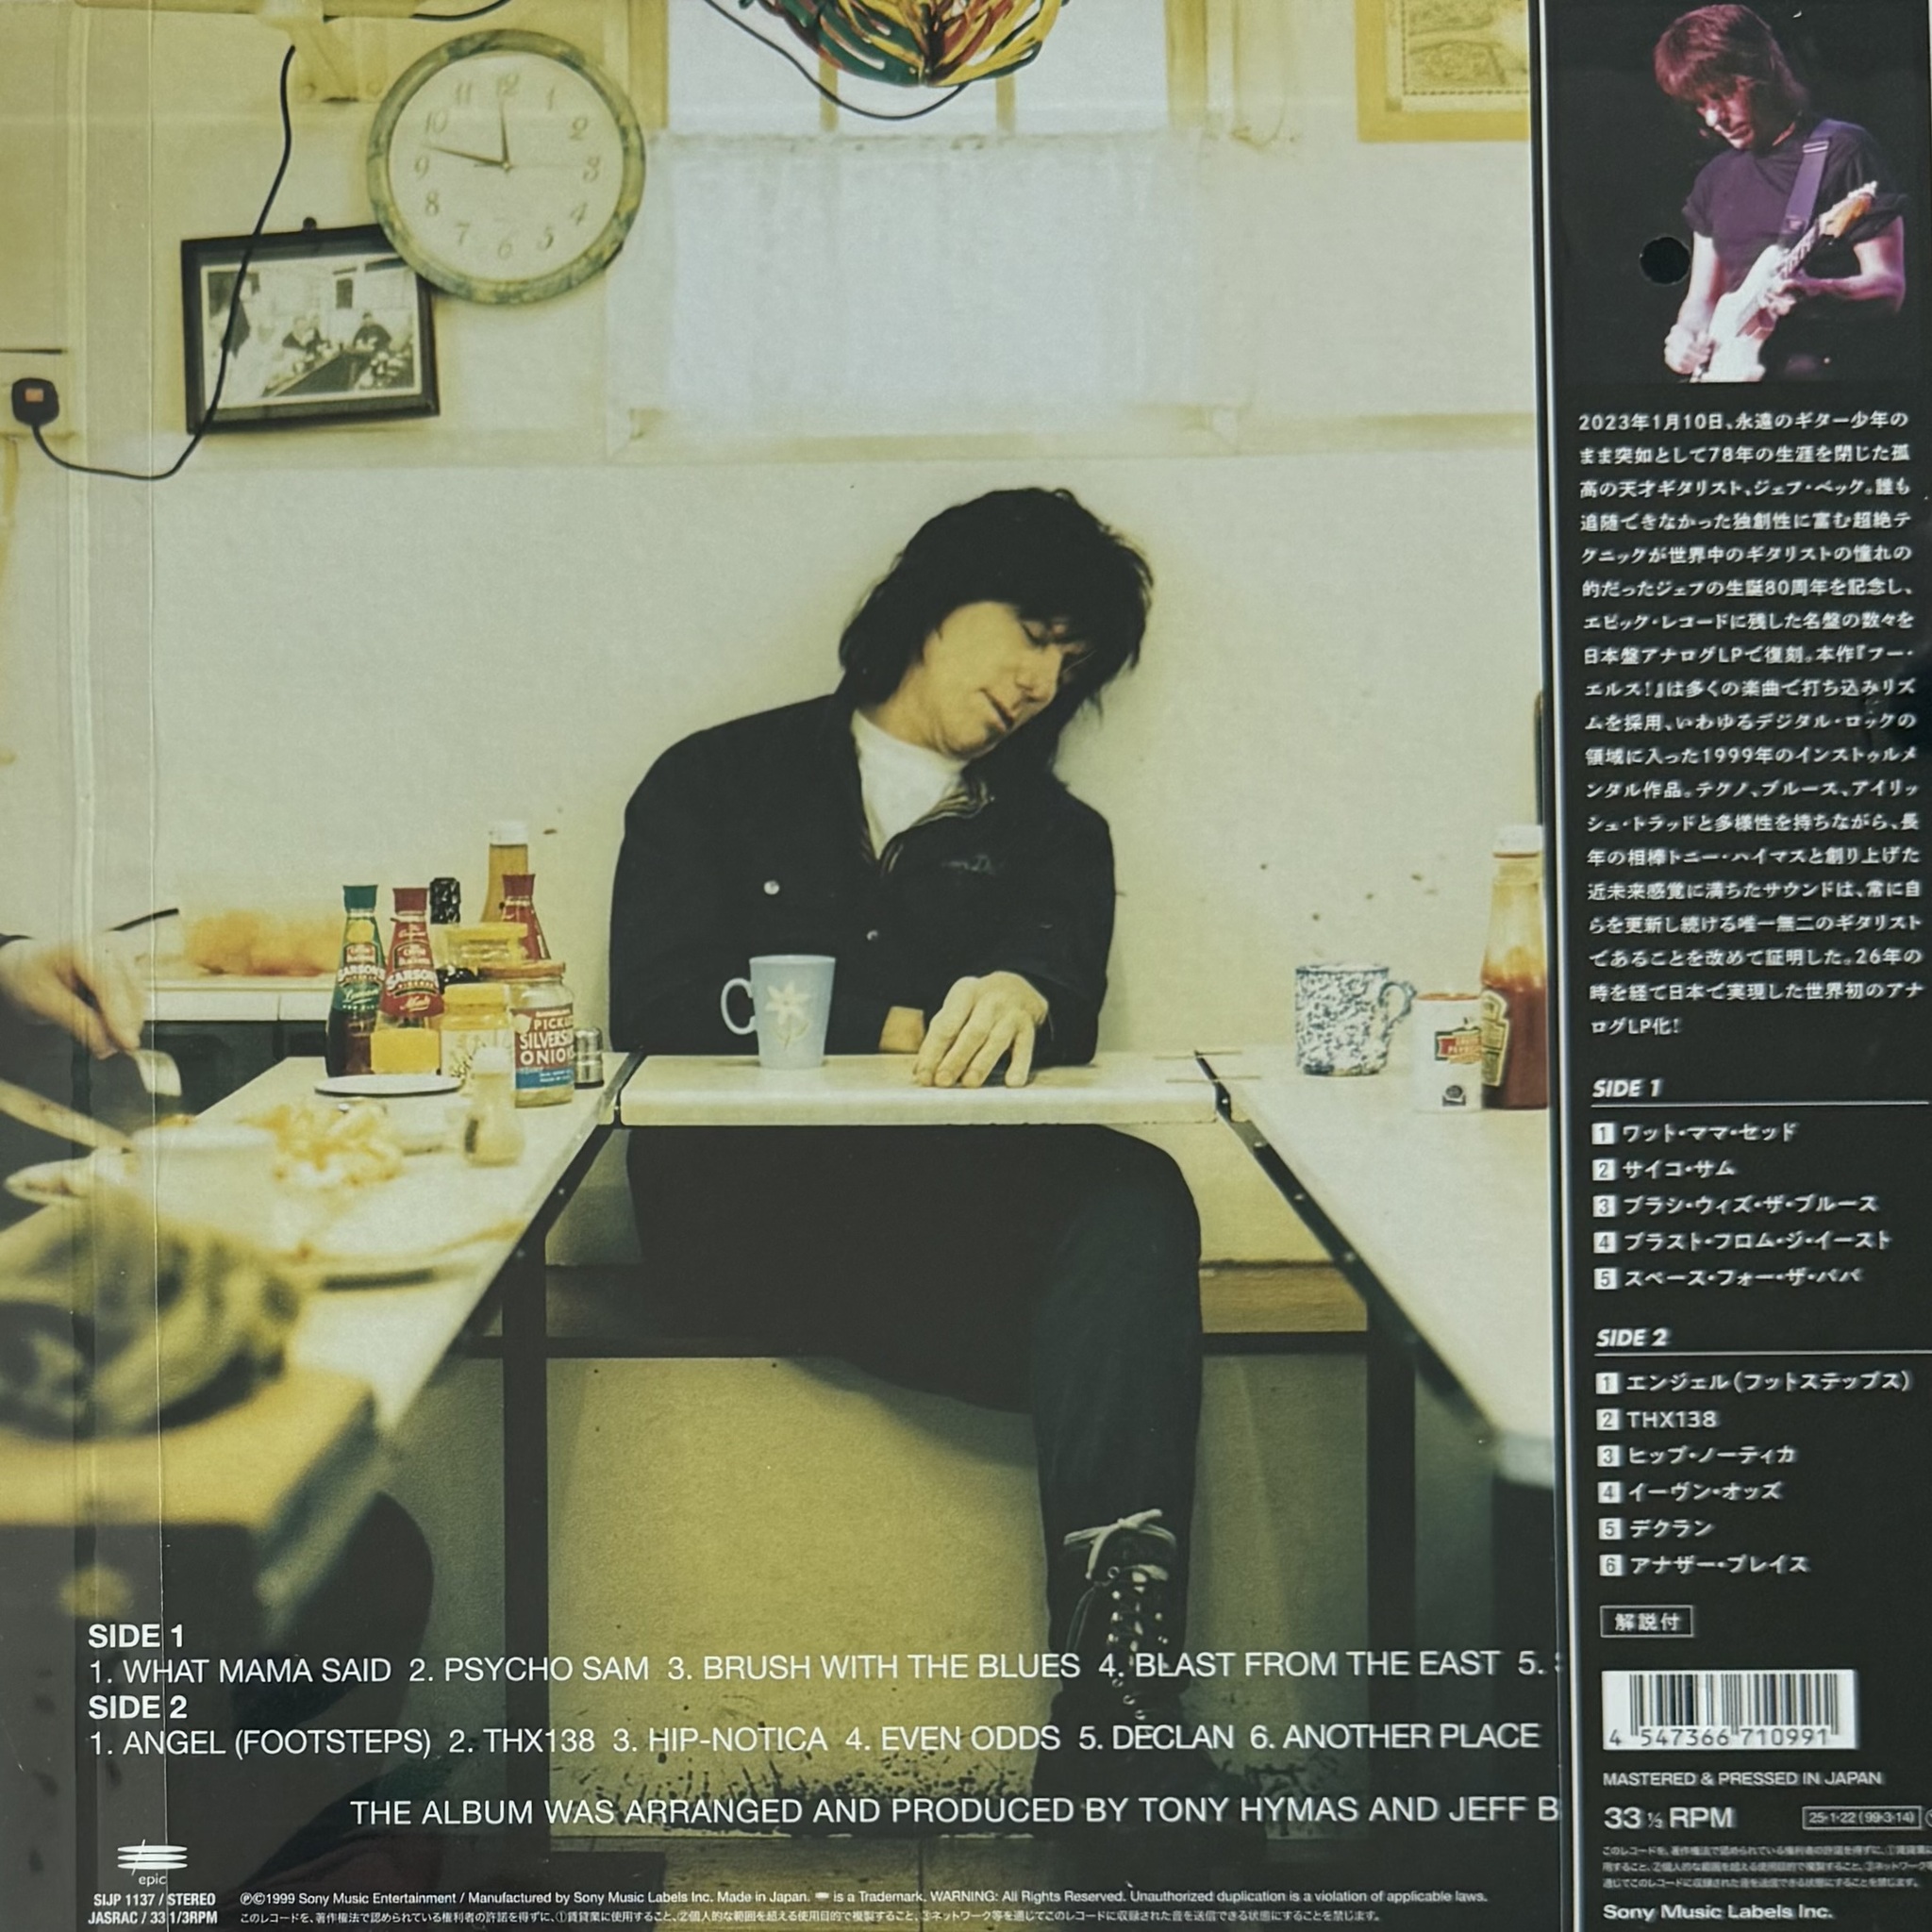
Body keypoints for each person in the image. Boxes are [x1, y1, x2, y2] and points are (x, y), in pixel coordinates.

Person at [609, 489, 1226, 1815]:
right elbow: (656, 1005)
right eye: (1035, 632)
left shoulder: (1055, 835)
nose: (1042, 682)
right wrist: (895, 1019)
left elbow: (1063, 994)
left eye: (1071, 664)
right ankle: (1126, 1730)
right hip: (743, 1228)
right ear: (936, 603)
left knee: (1135, 1194)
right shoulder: (714, 780)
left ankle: (1120, 1712)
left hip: (944, 1234)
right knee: (1118, 1302)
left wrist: (1022, 995)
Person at [1654, 4, 1905, 381]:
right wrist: (1685, 336)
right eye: (1701, 104)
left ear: (1762, 69)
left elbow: (1889, 286)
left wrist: (1818, 293)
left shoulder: (1842, 149)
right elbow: (1702, 300)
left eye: (1722, 93)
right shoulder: (1713, 178)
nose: (1713, 118)